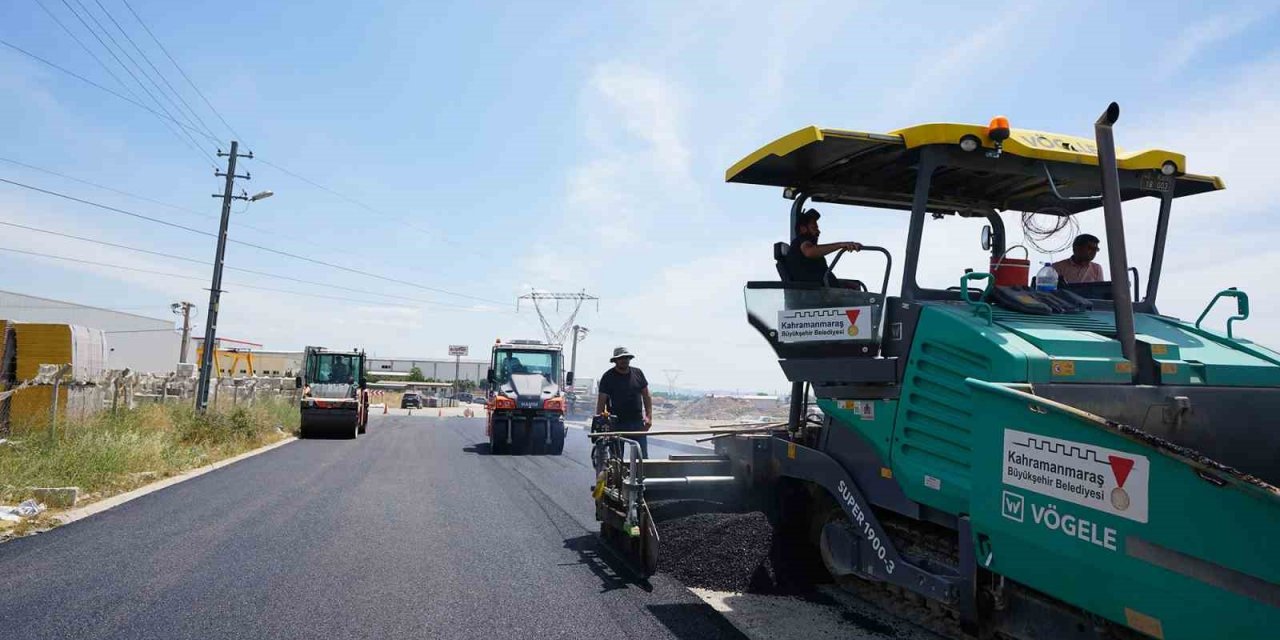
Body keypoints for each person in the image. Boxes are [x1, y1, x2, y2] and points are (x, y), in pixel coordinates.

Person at [596, 346, 653, 458]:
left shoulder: (638, 373)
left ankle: (640, 475)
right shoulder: (608, 377)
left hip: (637, 422)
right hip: (616, 423)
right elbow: (601, 401)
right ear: (615, 361)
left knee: (642, 457)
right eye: (621, 358)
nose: (624, 360)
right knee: (616, 459)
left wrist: (649, 417)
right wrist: (601, 422)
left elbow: (646, 396)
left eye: (626, 358)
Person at [784, 208, 863, 284]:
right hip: (815, 294)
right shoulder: (802, 241)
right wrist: (841, 245)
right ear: (803, 229)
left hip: (824, 292)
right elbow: (809, 251)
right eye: (814, 227)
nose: (818, 231)